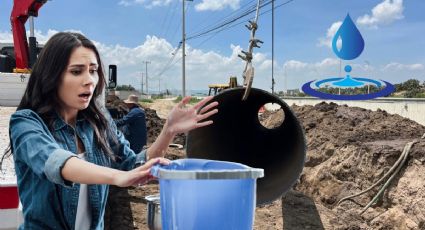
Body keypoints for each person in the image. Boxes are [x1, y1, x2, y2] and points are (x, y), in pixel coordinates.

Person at [3, 32, 218, 229]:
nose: (89, 80)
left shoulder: (98, 122)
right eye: (77, 71)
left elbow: (133, 165)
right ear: (51, 75)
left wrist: (168, 131)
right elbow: (56, 163)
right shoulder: (26, 123)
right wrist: (118, 177)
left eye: (94, 71)